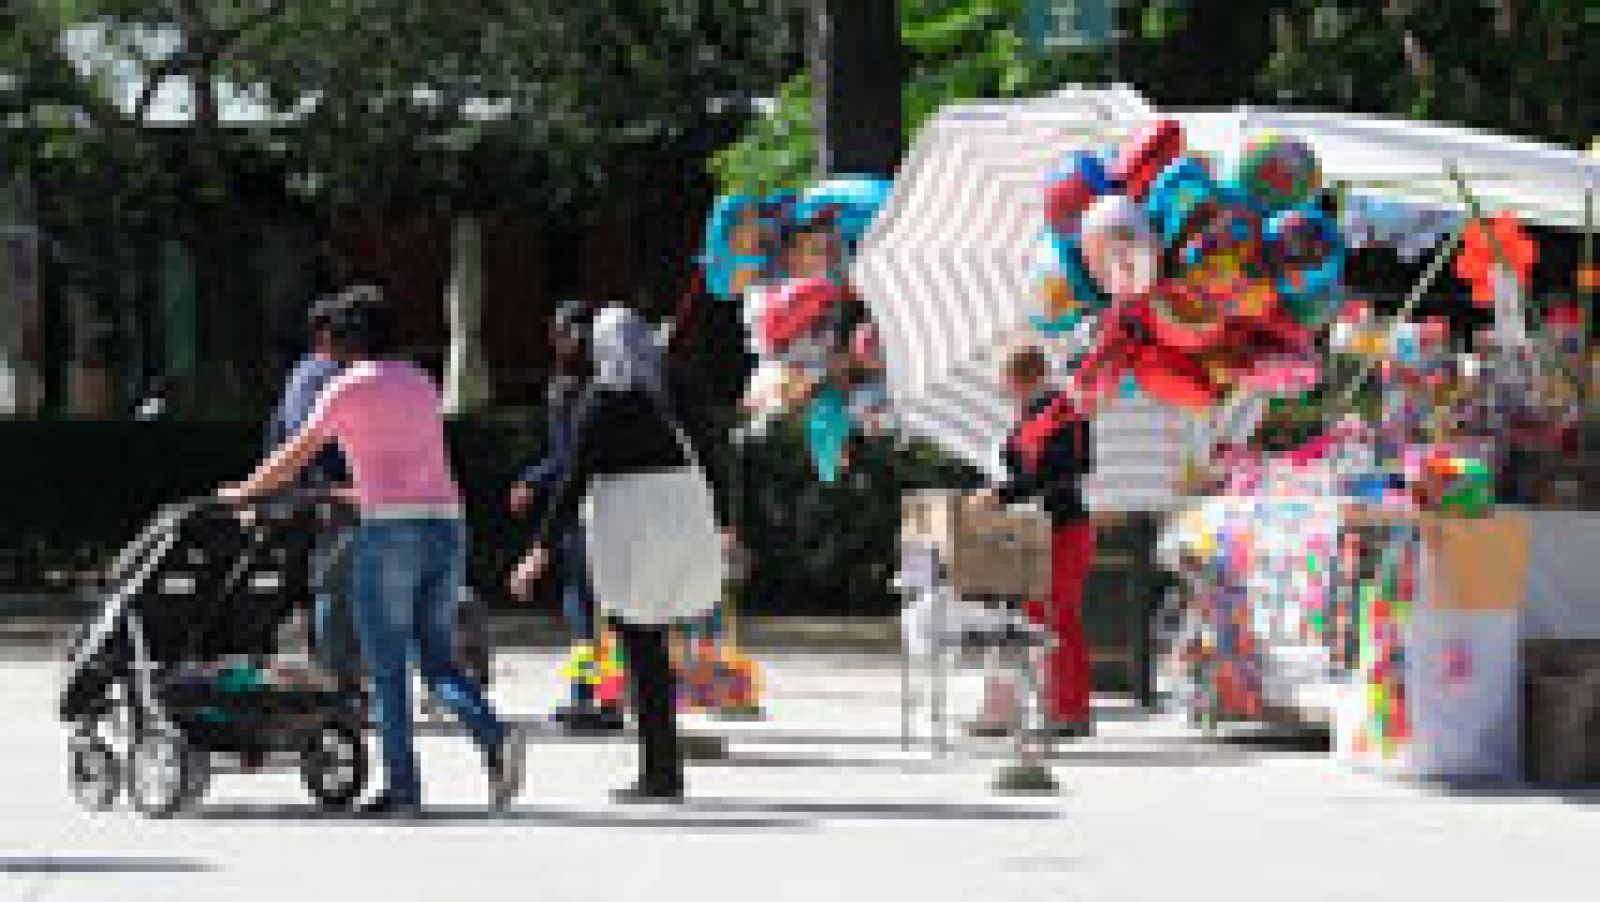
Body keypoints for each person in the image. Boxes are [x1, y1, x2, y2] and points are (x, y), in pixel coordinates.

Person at [221, 286, 524, 816]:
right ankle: (493, 736)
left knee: (386, 667)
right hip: (447, 523)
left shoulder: (346, 389)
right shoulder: (422, 382)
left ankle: (403, 790)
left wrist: (244, 492)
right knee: (437, 657)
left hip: (388, 530)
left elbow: (294, 456)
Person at [510, 304, 729, 803]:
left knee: (642, 647)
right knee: (657, 648)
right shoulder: (677, 387)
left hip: (628, 534)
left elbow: (573, 478)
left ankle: (660, 773)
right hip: (680, 526)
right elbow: (715, 452)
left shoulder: (602, 399)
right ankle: (662, 766)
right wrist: (727, 523)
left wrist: (539, 550)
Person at [968, 345, 1096, 738]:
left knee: (1059, 615)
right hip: (1031, 527)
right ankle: (1027, 705)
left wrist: (1003, 493)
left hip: (1063, 526)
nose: (1001, 387)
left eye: (1004, 378)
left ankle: (1070, 709)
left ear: (1022, 376)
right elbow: (1019, 467)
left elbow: (1066, 471)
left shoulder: (1065, 414)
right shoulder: (1028, 417)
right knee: (1030, 617)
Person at [507, 300, 623, 732]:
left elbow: (567, 458)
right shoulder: (611, 384)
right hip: (613, 504)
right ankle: (607, 700)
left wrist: (532, 480)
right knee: (604, 609)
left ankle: (584, 697)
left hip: (580, 508)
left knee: (581, 607)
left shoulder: (568, 391)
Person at [269, 296, 360, 696]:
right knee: (334, 589)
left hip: (319, 494)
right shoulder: (319, 376)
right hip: (328, 497)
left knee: (333, 589)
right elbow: (312, 442)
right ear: (326, 335)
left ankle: (341, 677)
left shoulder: (314, 373)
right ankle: (338, 682)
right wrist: (329, 490)